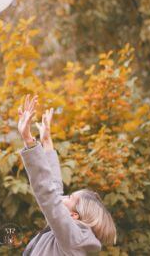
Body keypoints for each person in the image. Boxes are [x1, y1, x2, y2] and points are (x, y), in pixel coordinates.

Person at [17, 94, 117, 255]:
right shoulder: (73, 238)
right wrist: (47, 143)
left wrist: (29, 140)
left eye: (69, 198)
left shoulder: (74, 239)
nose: (63, 197)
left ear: (74, 215)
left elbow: (49, 195)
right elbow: (54, 190)